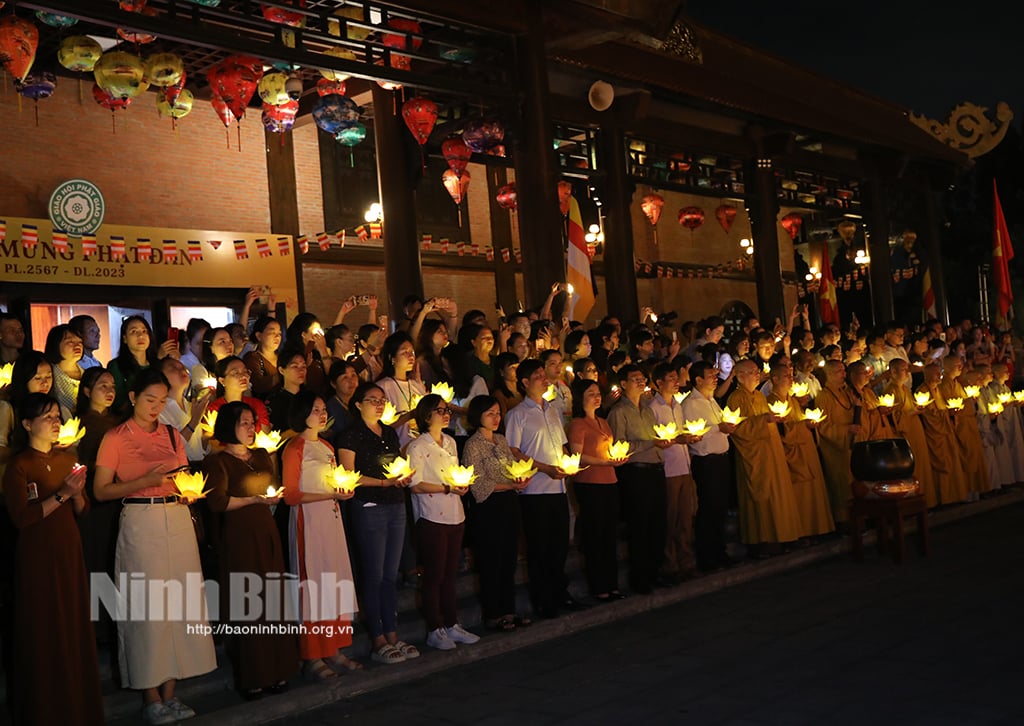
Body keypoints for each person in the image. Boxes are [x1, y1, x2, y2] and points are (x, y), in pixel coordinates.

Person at [93, 369, 216, 725]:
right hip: (140, 519)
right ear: (132, 398)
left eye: (162, 401)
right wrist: (143, 481)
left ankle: (171, 692)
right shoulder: (116, 437)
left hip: (175, 518)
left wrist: (187, 492)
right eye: (150, 399)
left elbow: (182, 476)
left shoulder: (172, 434)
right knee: (146, 607)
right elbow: (101, 490)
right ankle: (150, 694)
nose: (156, 407)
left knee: (180, 602)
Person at [3, 393, 103, 725]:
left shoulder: (67, 457)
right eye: (48, 417)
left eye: (58, 415)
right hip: (37, 553)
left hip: (68, 548)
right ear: (28, 424)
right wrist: (62, 493)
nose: (56, 421)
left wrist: (75, 494)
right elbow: (22, 517)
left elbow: (83, 508)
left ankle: (78, 704)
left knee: (72, 623)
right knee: (44, 628)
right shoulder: (19, 465)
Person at [203, 402, 299, 699]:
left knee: (272, 600)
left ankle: (278, 670)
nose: (250, 428)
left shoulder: (260, 455)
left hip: (265, 532)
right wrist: (253, 500)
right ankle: (252, 675)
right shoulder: (217, 461)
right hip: (239, 535)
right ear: (229, 426)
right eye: (244, 422)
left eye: (252, 422)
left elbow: (271, 487)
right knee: (247, 604)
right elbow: (217, 502)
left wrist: (270, 497)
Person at [335, 382, 418, 665]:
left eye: (382, 400)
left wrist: (402, 477)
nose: (379, 404)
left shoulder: (390, 432)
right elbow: (349, 474)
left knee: (390, 574)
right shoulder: (351, 435)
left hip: (395, 502)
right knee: (373, 573)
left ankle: (392, 633)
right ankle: (378, 638)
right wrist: (384, 482)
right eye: (372, 400)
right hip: (369, 505)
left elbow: (395, 463)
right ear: (358, 404)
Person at [281, 392, 361, 680]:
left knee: (334, 579)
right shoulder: (294, 448)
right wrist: (329, 494)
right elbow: (290, 495)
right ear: (302, 413)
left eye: (324, 408)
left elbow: (337, 481)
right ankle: (312, 654)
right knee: (313, 584)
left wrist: (343, 491)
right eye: (315, 409)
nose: (322, 413)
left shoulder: (327, 446)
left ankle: (334, 647)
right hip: (309, 522)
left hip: (331, 519)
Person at [504, 359, 579, 619]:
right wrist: (544, 468)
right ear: (525, 383)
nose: (544, 378)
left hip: (557, 488)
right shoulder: (517, 414)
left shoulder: (552, 411)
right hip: (534, 491)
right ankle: (542, 599)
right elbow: (513, 451)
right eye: (537, 375)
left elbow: (563, 445)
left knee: (559, 546)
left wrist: (568, 461)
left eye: (543, 374)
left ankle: (560, 592)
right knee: (539, 548)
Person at [406, 394, 480, 650]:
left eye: (446, 409)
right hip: (431, 515)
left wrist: (460, 485)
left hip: (454, 513)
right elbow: (415, 485)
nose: (446, 413)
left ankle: (451, 623)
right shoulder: (417, 447)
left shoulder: (449, 442)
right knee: (434, 575)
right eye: (439, 410)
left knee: (450, 574)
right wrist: (447, 487)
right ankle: (434, 628)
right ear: (427, 416)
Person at [462, 395, 531, 630]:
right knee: (492, 560)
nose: (495, 418)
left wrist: (520, 477)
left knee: (509, 559)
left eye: (497, 413)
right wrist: (510, 484)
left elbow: (511, 468)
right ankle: (493, 613)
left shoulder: (501, 440)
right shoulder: (473, 444)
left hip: (509, 504)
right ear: (478, 416)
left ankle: (509, 610)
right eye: (490, 413)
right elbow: (478, 483)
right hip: (488, 507)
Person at [726, 360, 802, 555]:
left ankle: (782, 536)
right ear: (740, 376)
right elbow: (737, 429)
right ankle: (761, 540)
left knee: (779, 496)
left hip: (772, 451)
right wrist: (763, 420)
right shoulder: (735, 399)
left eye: (757, 371)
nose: (756, 374)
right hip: (754, 457)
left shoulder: (760, 396)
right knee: (761, 499)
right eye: (751, 372)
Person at [607, 364, 668, 593]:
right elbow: (620, 446)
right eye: (635, 379)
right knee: (640, 526)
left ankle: (655, 572)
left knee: (657, 524)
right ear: (623, 384)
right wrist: (651, 443)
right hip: (636, 473)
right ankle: (640, 577)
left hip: (655, 469)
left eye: (643, 378)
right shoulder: (618, 412)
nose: (641, 382)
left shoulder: (648, 409)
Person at [566, 379, 626, 601]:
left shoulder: (603, 421)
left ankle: (612, 584)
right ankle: (599, 585)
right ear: (581, 398)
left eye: (597, 393)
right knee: (595, 535)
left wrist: (615, 458)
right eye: (590, 393)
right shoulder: (578, 424)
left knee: (609, 534)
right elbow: (577, 455)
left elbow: (609, 448)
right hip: (590, 482)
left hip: (610, 480)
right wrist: (604, 462)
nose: (596, 397)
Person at [765, 366, 835, 540]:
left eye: (791, 376)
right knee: (800, 496)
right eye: (786, 376)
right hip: (793, 456)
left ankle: (817, 530)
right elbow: (781, 432)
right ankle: (803, 532)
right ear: (774, 379)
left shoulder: (793, 400)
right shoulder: (771, 401)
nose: (791, 379)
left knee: (814, 493)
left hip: (806, 450)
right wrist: (803, 426)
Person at [646, 362, 699, 581]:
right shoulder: (652, 408)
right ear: (659, 383)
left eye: (677, 377)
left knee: (685, 518)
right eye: (671, 378)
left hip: (684, 466)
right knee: (670, 518)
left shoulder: (677, 405)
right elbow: (653, 440)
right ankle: (669, 564)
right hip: (667, 469)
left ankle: (686, 561)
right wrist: (677, 439)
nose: (676, 382)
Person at [682, 361, 735, 572]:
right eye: (711, 375)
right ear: (698, 380)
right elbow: (696, 432)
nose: (715, 378)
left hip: (721, 458)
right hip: (706, 461)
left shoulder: (712, 400)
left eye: (716, 375)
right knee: (709, 508)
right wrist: (717, 428)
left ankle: (719, 552)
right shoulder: (691, 404)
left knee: (721, 508)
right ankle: (707, 557)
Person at [882, 360, 938, 508]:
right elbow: (893, 418)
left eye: (908, 369)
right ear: (893, 372)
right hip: (904, 436)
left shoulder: (905, 389)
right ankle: (913, 505)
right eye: (903, 370)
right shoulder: (890, 391)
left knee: (921, 466)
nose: (907, 372)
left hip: (915, 431)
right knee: (911, 470)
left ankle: (925, 502)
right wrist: (913, 412)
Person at [916, 363, 969, 505]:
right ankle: (941, 499)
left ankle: (952, 497)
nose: (939, 376)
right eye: (935, 373)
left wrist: (951, 414)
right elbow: (928, 415)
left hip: (945, 433)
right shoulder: (922, 391)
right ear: (926, 375)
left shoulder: (938, 390)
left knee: (952, 464)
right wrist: (946, 414)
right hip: (935, 435)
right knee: (940, 468)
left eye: (940, 373)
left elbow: (942, 408)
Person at [938, 355, 990, 497]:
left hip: (968, 427)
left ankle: (974, 491)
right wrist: (967, 402)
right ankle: (965, 493)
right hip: (959, 428)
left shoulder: (957, 384)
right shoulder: (944, 385)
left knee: (973, 458)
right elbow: (951, 406)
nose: (960, 368)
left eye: (961, 365)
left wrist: (970, 401)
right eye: (957, 365)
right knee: (964, 461)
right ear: (947, 367)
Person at [816, 361, 859, 524]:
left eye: (844, 371)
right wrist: (845, 429)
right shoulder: (823, 397)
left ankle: (857, 518)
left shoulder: (847, 393)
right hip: (835, 448)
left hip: (850, 445)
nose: (844, 375)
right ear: (830, 374)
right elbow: (823, 426)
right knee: (840, 484)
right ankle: (843, 520)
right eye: (839, 371)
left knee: (853, 482)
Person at [108, 316, 176, 415]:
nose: (140, 336)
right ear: (125, 339)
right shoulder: (116, 366)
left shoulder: (158, 364)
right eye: (134, 332)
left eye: (144, 331)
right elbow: (118, 402)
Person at [376, 332, 426, 449]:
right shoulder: (383, 387)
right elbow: (379, 427)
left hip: (421, 449)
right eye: (405, 352)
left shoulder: (416, 385)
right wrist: (409, 415)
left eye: (412, 352)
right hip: (397, 448)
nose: (411, 356)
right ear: (392, 358)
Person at [157, 357, 211, 463]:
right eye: (173, 368)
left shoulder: (190, 405)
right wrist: (194, 421)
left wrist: (206, 438)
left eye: (183, 368)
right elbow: (171, 447)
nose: (182, 371)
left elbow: (197, 449)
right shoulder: (160, 410)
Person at [207, 356, 271, 433]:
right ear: (222, 380)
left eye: (245, 371)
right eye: (235, 373)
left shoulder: (256, 405)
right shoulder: (214, 410)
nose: (243, 376)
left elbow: (266, 436)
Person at [44, 324, 84, 419]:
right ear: (56, 345)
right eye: (70, 342)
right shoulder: (49, 375)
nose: (77, 345)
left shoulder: (88, 374)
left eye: (80, 342)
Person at [267, 346, 307, 433]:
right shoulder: (275, 401)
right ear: (281, 370)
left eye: (303, 366)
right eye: (295, 366)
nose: (301, 371)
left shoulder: (309, 397)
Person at [244, 317, 283, 401]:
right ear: (259, 336)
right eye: (272, 332)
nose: (277, 336)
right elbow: (258, 385)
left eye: (279, 333)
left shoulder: (283, 358)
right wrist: (285, 374)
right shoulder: (252, 358)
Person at [325, 359, 359, 446]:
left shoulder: (359, 402)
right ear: (333, 384)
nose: (351, 381)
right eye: (345, 377)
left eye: (353, 375)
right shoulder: (329, 408)